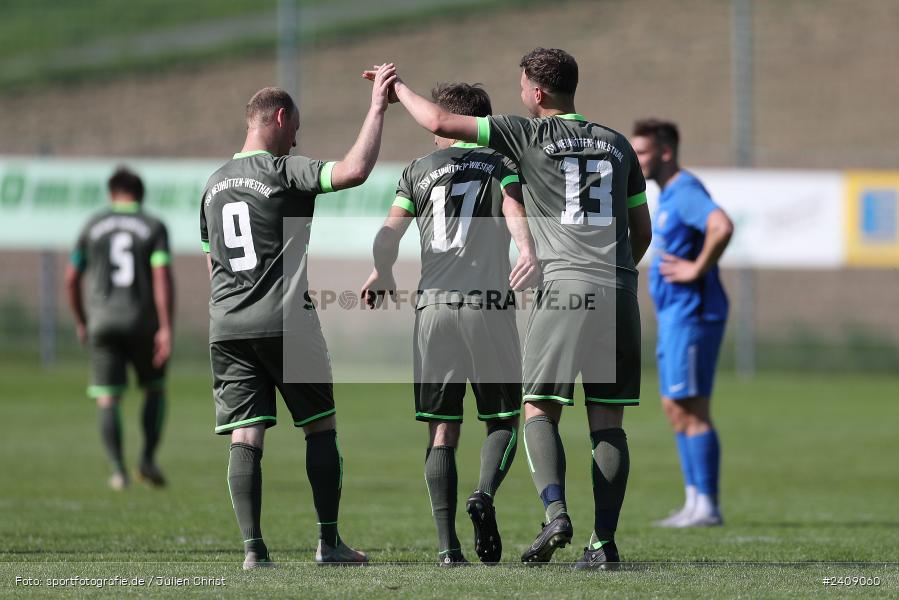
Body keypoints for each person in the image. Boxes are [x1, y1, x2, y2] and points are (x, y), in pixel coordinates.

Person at [363, 48, 653, 569]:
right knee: (607, 421)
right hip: (618, 291)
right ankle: (603, 543)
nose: (519, 92)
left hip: (555, 291)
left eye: (522, 85)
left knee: (538, 408)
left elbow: (435, 120)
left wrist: (396, 86)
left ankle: (555, 514)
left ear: (537, 93)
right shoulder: (617, 145)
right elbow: (642, 231)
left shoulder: (525, 135)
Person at [200, 66, 395, 569]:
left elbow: (212, 262)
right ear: (281, 117)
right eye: (296, 129)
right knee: (320, 427)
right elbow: (353, 171)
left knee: (246, 436)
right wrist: (376, 107)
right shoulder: (284, 172)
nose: (296, 139)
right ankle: (329, 543)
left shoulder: (214, 184)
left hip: (227, 325)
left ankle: (253, 550)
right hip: (287, 323)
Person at [360, 82, 539, 566]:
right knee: (501, 418)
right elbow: (514, 210)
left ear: (446, 122)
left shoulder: (416, 170)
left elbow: (388, 234)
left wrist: (384, 270)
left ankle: (447, 548)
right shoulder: (500, 163)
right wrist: (527, 252)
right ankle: (482, 494)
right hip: (488, 307)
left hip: (433, 309)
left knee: (442, 429)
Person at [631, 119, 734, 527]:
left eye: (642, 152)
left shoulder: (686, 190)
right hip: (676, 318)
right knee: (676, 407)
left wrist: (696, 268)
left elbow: (721, 225)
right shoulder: (669, 196)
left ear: (666, 152)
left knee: (692, 409)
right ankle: (694, 502)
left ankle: (707, 504)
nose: (636, 159)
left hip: (693, 316)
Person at [65, 167, 175, 491]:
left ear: (112, 193)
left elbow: (71, 277)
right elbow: (161, 276)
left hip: (102, 323)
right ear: (140, 194)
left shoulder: (93, 225)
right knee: (154, 388)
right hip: (142, 322)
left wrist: (81, 320)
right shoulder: (153, 226)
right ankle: (147, 459)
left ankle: (117, 471)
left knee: (108, 399)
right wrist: (166, 326)